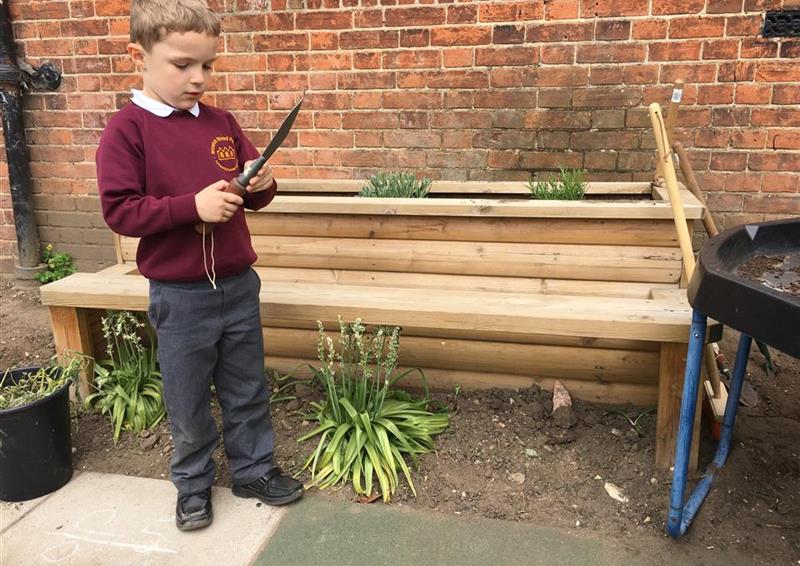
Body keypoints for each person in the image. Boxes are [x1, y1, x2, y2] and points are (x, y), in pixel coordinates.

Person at [96, 0, 303, 531]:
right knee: (187, 396)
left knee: (247, 386)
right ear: (137, 55)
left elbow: (251, 193)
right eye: (182, 64)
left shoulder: (221, 121)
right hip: (180, 294)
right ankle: (192, 484)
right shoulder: (127, 129)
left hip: (237, 284)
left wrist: (259, 183)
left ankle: (254, 469)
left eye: (207, 65)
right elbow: (120, 210)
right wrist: (192, 207)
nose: (198, 78)